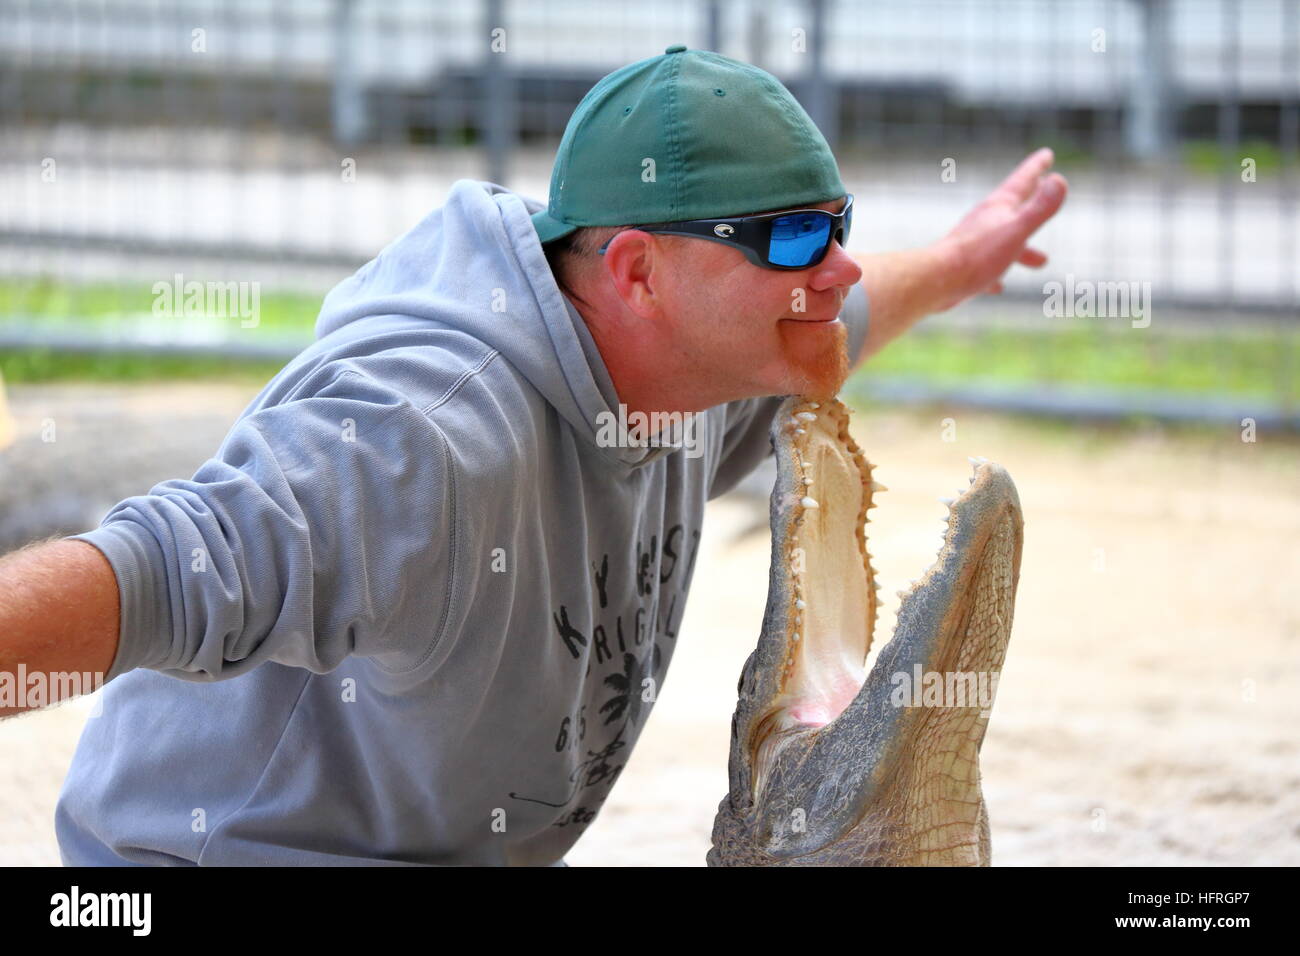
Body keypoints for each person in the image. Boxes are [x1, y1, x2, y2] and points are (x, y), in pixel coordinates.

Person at [0, 45, 1066, 865]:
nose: (832, 266)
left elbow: (846, 312)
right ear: (640, 271)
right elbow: (142, 570)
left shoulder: (690, 370)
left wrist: (963, 262)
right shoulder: (420, 441)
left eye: (839, 224)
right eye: (791, 237)